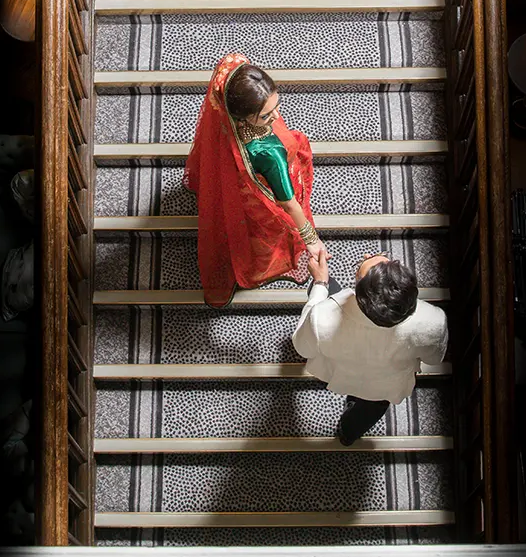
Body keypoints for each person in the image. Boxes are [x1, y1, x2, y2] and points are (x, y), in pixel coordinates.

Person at [185, 53, 327, 307]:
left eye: (276, 107)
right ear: (243, 116)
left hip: (241, 192)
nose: (275, 117)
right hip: (265, 201)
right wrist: (312, 240)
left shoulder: (226, 124)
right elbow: (289, 204)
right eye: (265, 115)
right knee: (267, 242)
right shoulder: (269, 153)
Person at [292, 250, 448, 446]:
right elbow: (433, 359)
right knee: (367, 414)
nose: (367, 255)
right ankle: (348, 435)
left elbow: (302, 347)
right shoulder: (433, 321)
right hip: (385, 387)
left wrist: (320, 284)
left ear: (360, 295)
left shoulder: (322, 317)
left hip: (340, 373)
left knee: (329, 286)